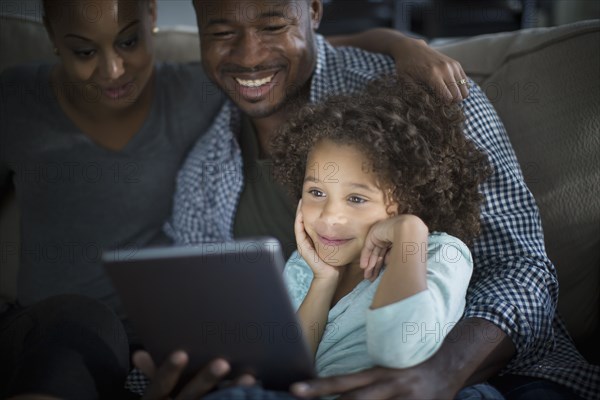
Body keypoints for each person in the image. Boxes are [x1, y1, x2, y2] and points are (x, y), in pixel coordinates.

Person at [0, 0, 471, 397]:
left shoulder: (412, 105)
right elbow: (287, 357)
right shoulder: (210, 113)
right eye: (315, 193)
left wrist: (401, 44)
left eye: (273, 26)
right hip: (86, 334)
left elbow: (285, 55)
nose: (113, 70)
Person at [148, 0, 599, 399]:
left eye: (272, 27)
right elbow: (214, 315)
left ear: (314, 10)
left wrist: (442, 372)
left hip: (498, 377)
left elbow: (525, 269)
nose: (249, 55)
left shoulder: (423, 94)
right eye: (222, 33)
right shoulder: (205, 163)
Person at [271, 76, 504, 400]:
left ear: (408, 197)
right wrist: (322, 282)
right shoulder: (305, 265)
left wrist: (410, 229)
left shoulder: (439, 252)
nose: (328, 216)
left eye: (356, 198)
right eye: (316, 192)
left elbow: (398, 350)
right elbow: (287, 375)